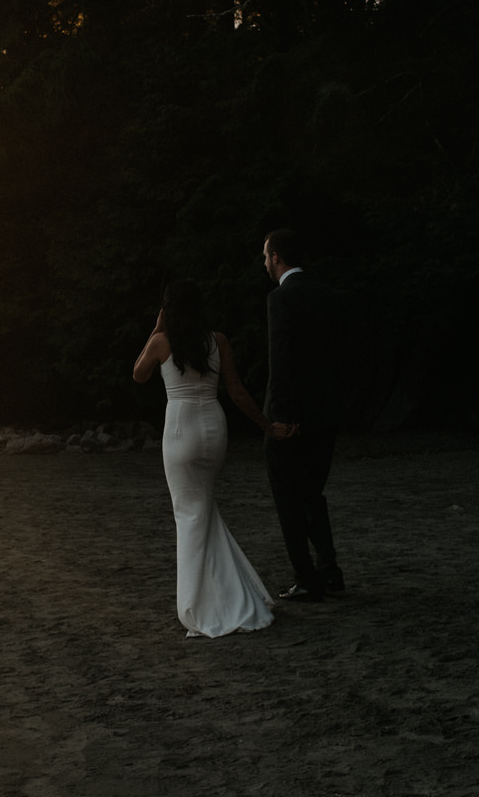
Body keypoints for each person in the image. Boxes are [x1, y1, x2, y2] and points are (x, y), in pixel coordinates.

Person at [132, 278, 276, 637]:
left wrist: (155, 328)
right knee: (203, 511)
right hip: (213, 428)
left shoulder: (161, 342)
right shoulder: (218, 341)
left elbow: (138, 374)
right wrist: (267, 426)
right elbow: (238, 392)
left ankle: (197, 606)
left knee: (189, 516)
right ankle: (234, 593)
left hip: (181, 430)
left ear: (168, 309)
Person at [260, 228, 345, 602]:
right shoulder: (328, 295)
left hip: (291, 417)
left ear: (277, 257)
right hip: (325, 414)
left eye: (265, 255)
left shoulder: (281, 299)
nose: (264, 262)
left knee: (288, 497)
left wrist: (278, 419)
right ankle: (331, 571)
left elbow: (282, 362)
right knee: (312, 493)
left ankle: (306, 576)